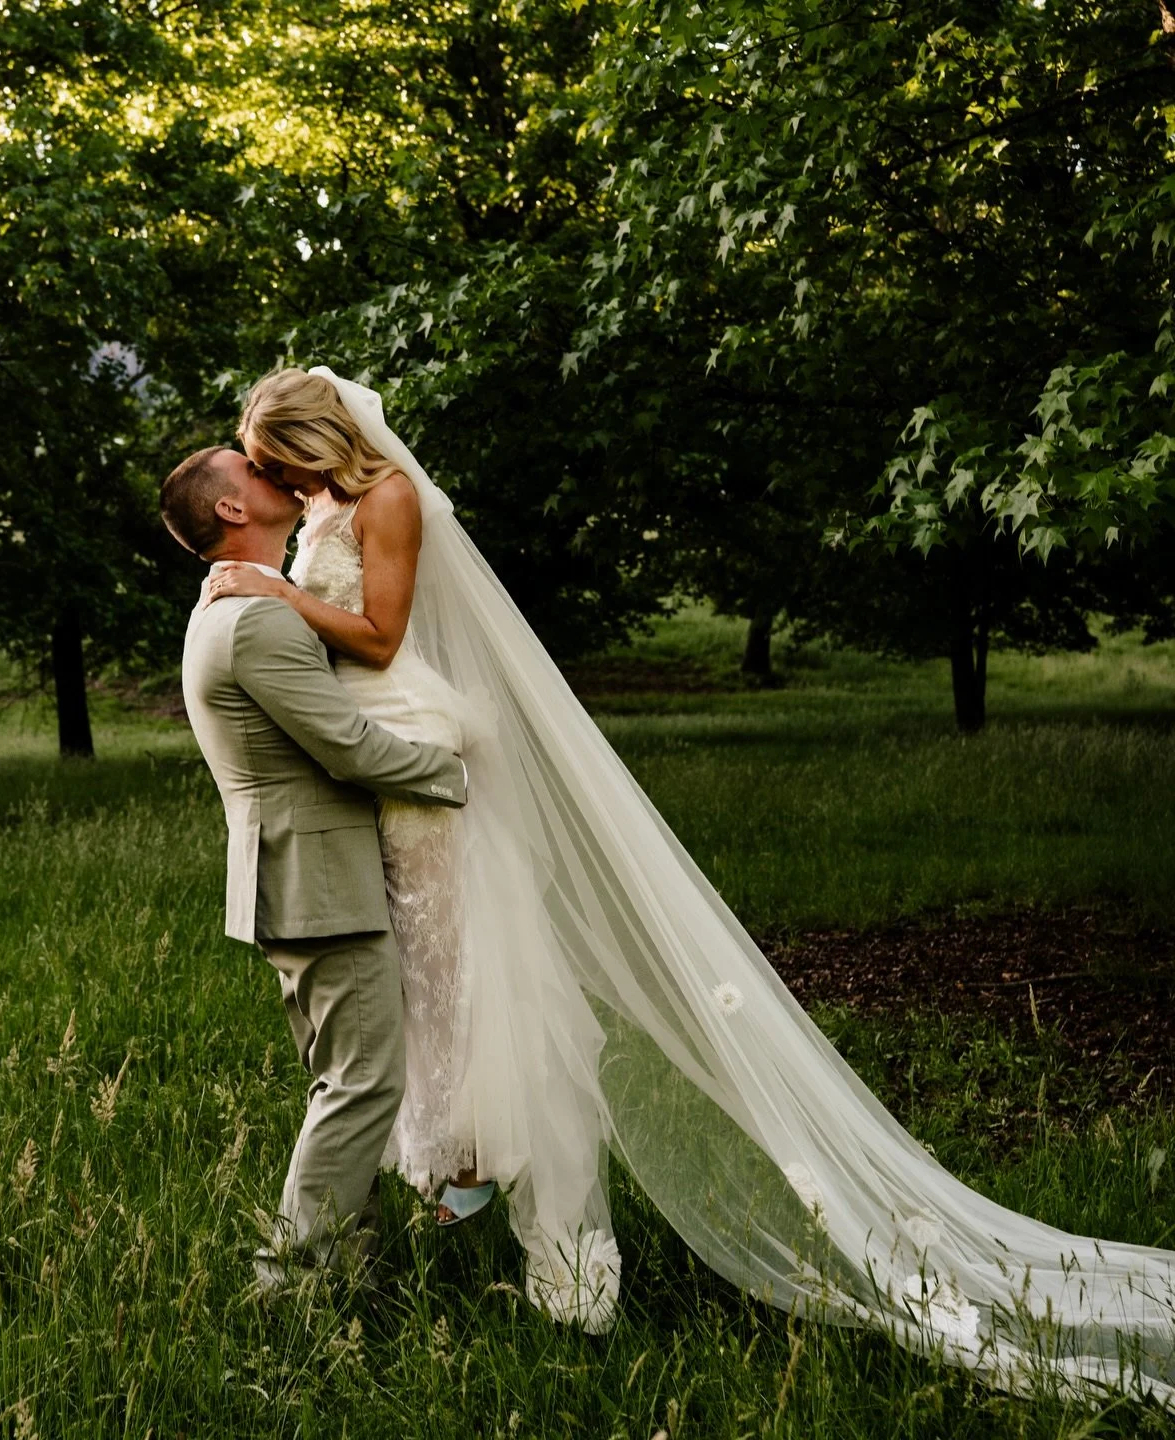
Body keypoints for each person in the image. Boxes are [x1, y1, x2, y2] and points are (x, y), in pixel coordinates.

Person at [191, 365, 1175, 1405]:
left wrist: (281, 592)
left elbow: (382, 638)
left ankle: (552, 1251)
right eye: (259, 470)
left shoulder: (386, 496)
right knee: (432, 999)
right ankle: (461, 1181)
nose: (271, 481)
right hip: (376, 775)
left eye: (276, 460)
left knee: (479, 983)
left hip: (416, 759)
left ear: (313, 439)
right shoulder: (322, 505)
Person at [162, 445, 467, 1291]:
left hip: (298, 878)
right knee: (364, 1084)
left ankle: (350, 1269)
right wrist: (463, 775)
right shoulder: (253, 620)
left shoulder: (235, 607)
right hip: (317, 881)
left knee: (347, 1078)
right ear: (230, 510)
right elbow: (349, 746)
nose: (278, 472)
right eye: (252, 470)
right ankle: (293, 1285)